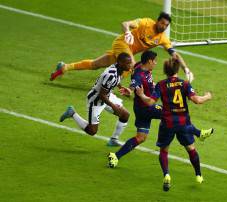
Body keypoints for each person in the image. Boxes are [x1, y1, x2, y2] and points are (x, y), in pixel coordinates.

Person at [107, 51, 212, 169]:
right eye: (155, 61)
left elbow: (139, 75)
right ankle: (199, 133)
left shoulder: (139, 66)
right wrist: (130, 90)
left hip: (140, 108)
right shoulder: (139, 75)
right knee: (176, 113)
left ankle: (115, 156)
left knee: (141, 137)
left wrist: (152, 85)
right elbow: (134, 83)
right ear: (149, 61)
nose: (156, 63)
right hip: (147, 107)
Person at [134, 58, 213, 191]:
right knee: (191, 149)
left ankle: (167, 175)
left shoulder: (161, 85)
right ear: (177, 70)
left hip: (167, 124)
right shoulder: (185, 84)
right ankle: (198, 175)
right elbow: (197, 100)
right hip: (183, 123)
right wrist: (207, 96)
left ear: (165, 71)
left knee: (164, 151)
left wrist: (141, 95)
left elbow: (150, 102)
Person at [50, 12, 194, 82]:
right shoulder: (145, 23)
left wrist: (186, 68)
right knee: (130, 65)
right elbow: (125, 23)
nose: (164, 26)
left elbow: (174, 55)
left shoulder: (162, 39)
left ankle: (64, 67)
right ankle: (109, 86)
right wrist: (127, 33)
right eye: (162, 23)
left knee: (95, 64)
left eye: (166, 25)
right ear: (157, 21)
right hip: (122, 43)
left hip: (128, 51)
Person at [59, 52, 132, 146]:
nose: (130, 65)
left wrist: (121, 87)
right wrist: (114, 107)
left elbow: (113, 82)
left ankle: (113, 140)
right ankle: (72, 113)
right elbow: (102, 95)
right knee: (92, 131)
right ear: (120, 63)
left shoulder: (118, 69)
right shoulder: (110, 75)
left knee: (125, 115)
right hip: (96, 100)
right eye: (128, 63)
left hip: (107, 97)